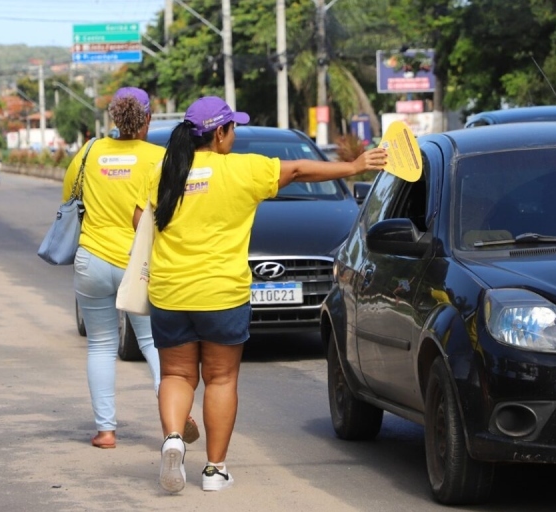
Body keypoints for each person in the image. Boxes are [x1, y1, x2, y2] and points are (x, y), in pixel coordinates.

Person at [146, 96, 387, 493]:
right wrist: (355, 166)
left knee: (176, 374)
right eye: (232, 128)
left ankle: (173, 439)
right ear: (220, 132)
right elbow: (298, 170)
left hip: (169, 291)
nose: (235, 135)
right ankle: (214, 470)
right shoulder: (243, 168)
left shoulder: (164, 170)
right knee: (220, 379)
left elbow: (143, 218)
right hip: (222, 293)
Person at [63, 87, 197, 450]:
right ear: (148, 118)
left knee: (101, 346)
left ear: (113, 119)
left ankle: (106, 431)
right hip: (139, 264)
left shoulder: (90, 152)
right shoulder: (159, 156)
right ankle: (174, 419)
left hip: (91, 259)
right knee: (155, 343)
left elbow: (68, 198)